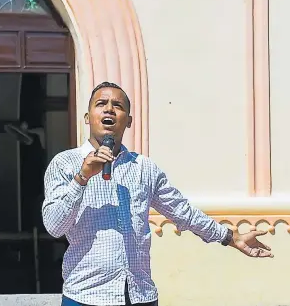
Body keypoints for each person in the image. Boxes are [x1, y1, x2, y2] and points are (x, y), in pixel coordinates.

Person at [42, 82, 273, 306]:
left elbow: (184, 213)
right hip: (86, 296)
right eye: (101, 103)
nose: (109, 109)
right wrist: (82, 177)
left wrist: (231, 238)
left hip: (140, 295)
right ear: (87, 117)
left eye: (118, 105)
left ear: (129, 121)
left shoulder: (144, 168)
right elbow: (54, 226)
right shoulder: (65, 164)